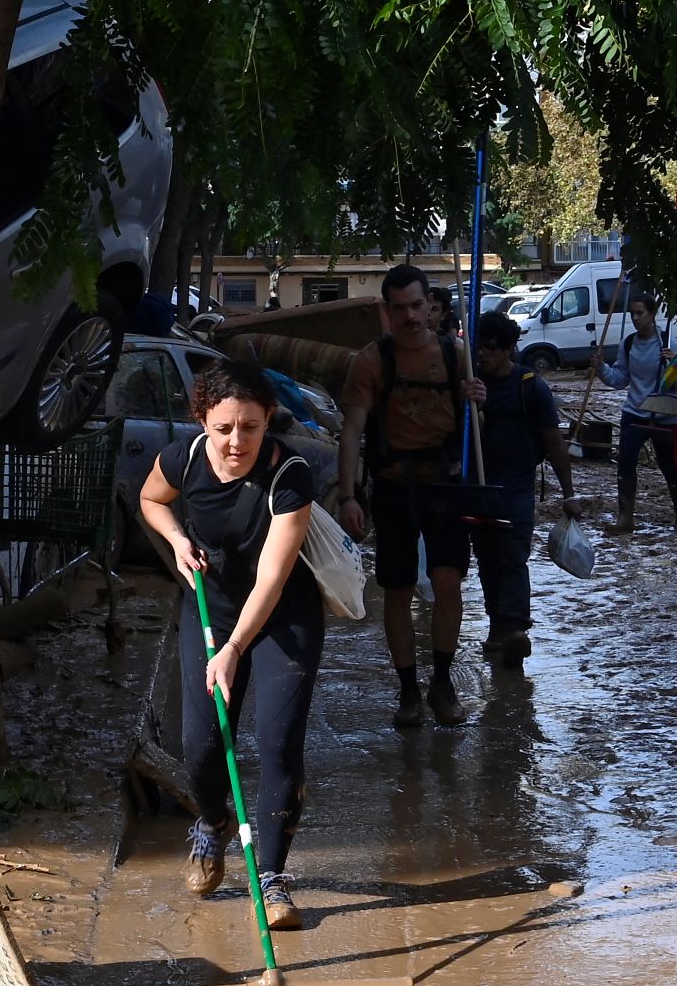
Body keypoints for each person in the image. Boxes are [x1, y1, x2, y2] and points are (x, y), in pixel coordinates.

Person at [139, 360, 325, 930]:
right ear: (203, 422)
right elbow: (152, 499)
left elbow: (272, 575)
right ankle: (213, 823)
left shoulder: (291, 476)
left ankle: (271, 878)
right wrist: (176, 541)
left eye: (250, 426)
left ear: (268, 420)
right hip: (209, 611)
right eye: (224, 428)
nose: (236, 441)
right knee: (201, 744)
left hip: (279, 619)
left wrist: (236, 648)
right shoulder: (184, 458)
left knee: (278, 743)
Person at [338, 263, 489, 729]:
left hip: (444, 484)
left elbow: (476, 433)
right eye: (399, 308)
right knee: (397, 590)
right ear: (387, 311)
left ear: (431, 306)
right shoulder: (370, 362)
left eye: (417, 306)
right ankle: (407, 691)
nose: (410, 317)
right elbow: (351, 432)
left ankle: (441, 682)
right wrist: (348, 497)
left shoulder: (456, 354)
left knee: (448, 584)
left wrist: (476, 403)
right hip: (392, 485)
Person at [471, 311, 582, 669]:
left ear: (508, 350)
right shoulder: (471, 385)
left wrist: (569, 494)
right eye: (479, 347)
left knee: (513, 556)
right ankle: (496, 625)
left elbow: (554, 442)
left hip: (517, 487)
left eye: (490, 348)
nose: (483, 355)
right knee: (487, 559)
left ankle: (516, 627)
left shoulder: (530, 387)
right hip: (479, 487)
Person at [600, 289, 677, 530]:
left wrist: (674, 363)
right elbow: (620, 378)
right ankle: (625, 518)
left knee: (669, 465)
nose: (635, 318)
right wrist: (600, 368)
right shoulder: (628, 343)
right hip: (635, 411)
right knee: (625, 463)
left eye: (640, 313)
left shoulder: (670, 342)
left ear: (652, 314)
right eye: (632, 313)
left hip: (666, 413)